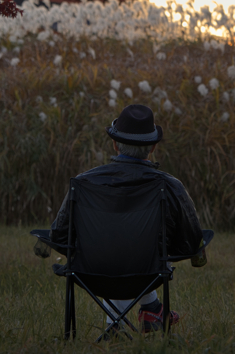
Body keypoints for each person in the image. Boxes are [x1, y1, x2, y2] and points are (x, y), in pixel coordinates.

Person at [48, 104, 206, 332]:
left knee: (113, 241)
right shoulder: (170, 186)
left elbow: (60, 235)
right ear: (152, 147)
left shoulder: (83, 183)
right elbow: (190, 243)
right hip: (148, 273)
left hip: (92, 274)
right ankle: (151, 310)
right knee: (145, 245)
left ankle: (118, 325)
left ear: (114, 144)